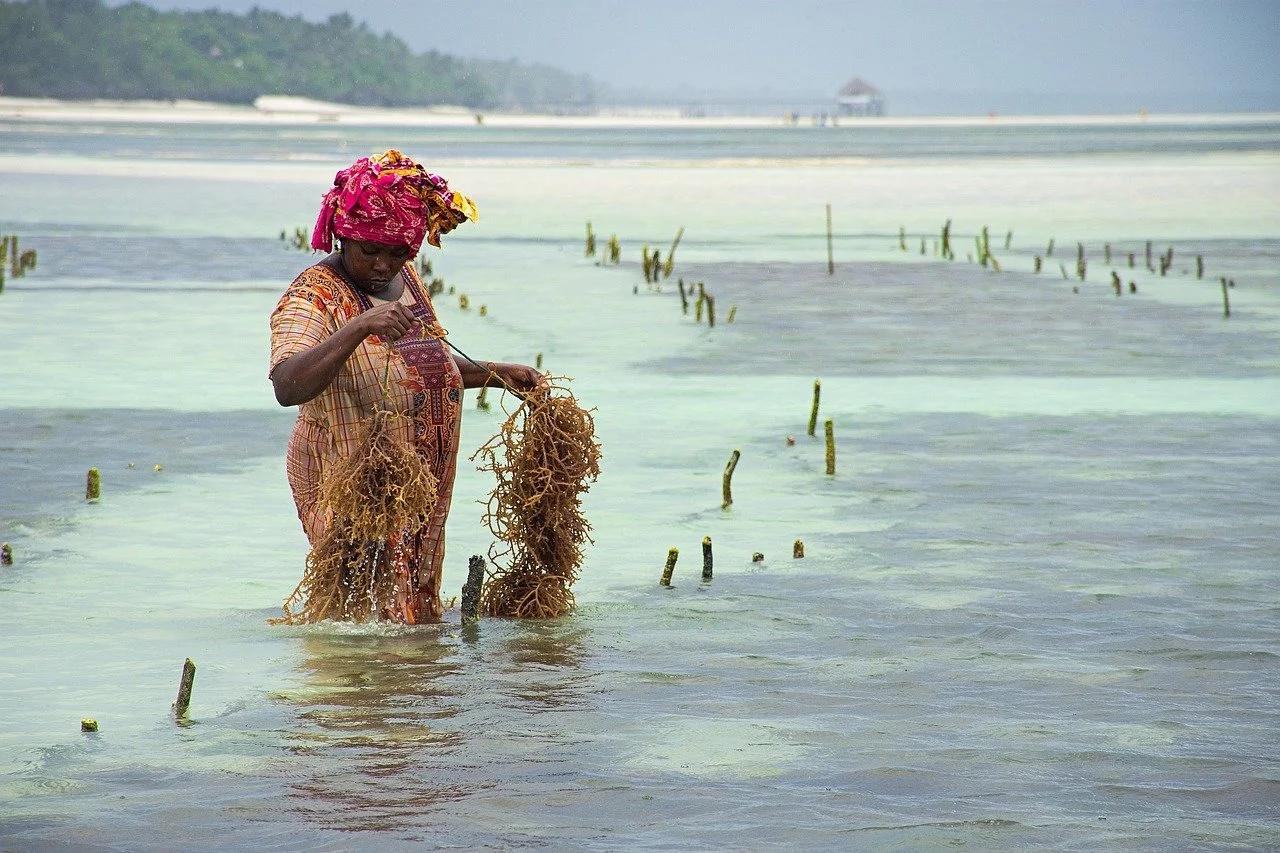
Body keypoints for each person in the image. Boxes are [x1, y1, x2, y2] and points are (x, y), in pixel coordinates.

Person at [269, 149, 540, 623]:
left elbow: (419, 365)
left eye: (397, 253)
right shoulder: (313, 294)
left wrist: (497, 374)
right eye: (369, 250)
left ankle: (402, 693)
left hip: (418, 484)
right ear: (343, 235)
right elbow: (287, 385)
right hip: (351, 478)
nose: (382, 265)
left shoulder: (407, 282)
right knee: (360, 612)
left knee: (409, 617)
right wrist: (359, 326)